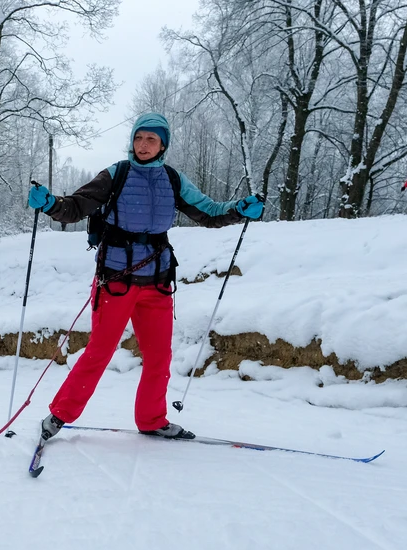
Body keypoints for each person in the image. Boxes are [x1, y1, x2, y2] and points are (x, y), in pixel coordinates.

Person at [26, 112, 264, 442]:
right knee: (100, 351)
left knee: (159, 357)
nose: (143, 144)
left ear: (163, 144)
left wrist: (239, 209)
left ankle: (152, 419)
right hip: (116, 281)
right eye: (139, 138)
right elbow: (77, 206)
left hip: (158, 282)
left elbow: (208, 211)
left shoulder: (173, 179)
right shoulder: (116, 174)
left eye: (151, 139)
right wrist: (51, 203)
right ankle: (59, 415)